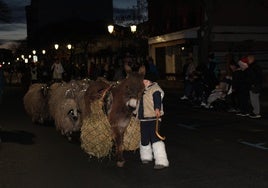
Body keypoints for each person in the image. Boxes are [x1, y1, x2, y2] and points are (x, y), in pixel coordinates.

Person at [136, 72, 169, 170]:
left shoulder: (155, 89)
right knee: (144, 138)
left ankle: (161, 161)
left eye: (143, 80)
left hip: (153, 118)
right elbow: (138, 103)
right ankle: (146, 156)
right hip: (143, 119)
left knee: (155, 140)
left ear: (148, 81)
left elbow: (157, 99)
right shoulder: (142, 90)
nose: (142, 82)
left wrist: (157, 109)